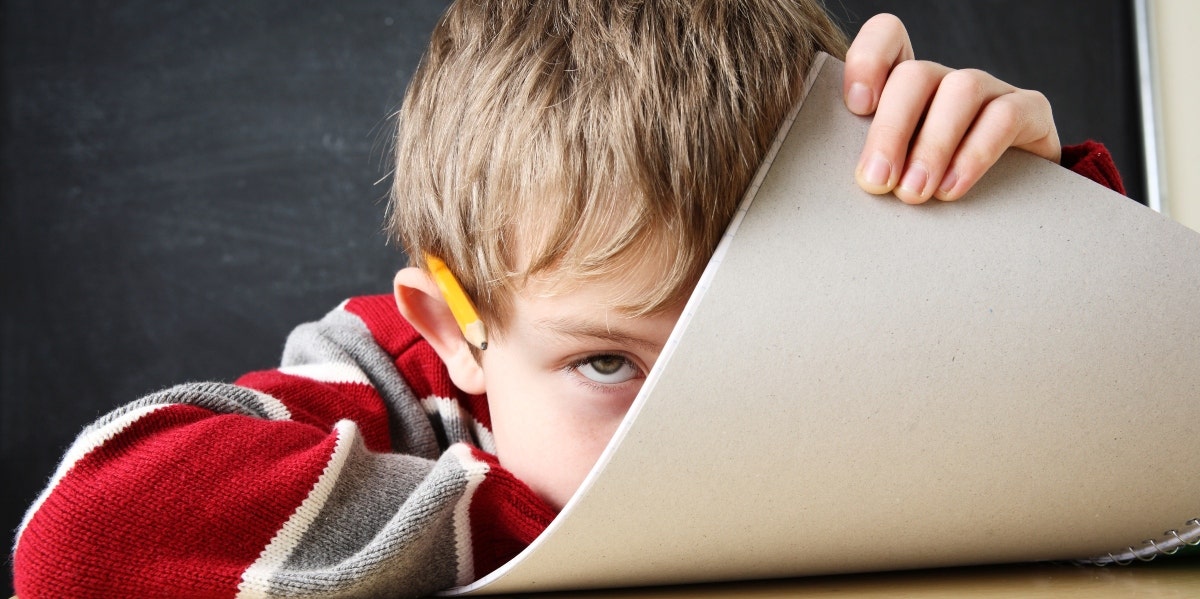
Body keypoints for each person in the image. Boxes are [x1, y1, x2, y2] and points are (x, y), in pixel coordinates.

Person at [11, 3, 1124, 598]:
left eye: (744, 345)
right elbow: (84, 535)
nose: (695, 440)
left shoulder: (858, 337)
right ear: (461, 332)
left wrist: (1027, 235)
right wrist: (607, 539)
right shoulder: (388, 381)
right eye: (610, 364)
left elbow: (1151, 479)